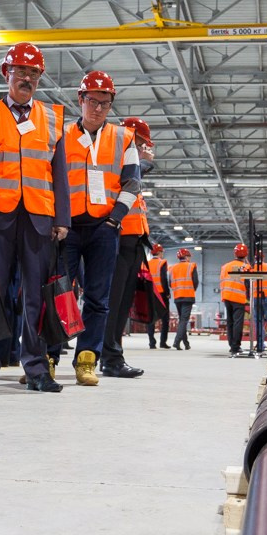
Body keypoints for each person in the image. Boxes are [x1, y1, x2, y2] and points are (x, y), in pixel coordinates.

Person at [0, 43, 70, 394]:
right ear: (6, 73)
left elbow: (60, 172)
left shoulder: (54, 116)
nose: (27, 78)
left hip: (39, 216)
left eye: (33, 73)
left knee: (36, 296)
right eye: (20, 71)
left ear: (40, 77)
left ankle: (37, 368)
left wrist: (63, 218)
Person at [60, 71, 140, 386]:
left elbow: (132, 182)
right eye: (92, 101)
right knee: (59, 295)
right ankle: (50, 358)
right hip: (66, 228)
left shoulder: (124, 137)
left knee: (97, 298)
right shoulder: (61, 135)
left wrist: (114, 219)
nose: (98, 109)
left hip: (103, 228)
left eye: (104, 103)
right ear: (80, 100)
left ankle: (86, 361)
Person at [98, 117, 154, 378]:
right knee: (112, 302)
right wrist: (142, 162)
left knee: (121, 304)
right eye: (142, 143)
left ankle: (112, 354)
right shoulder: (117, 154)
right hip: (118, 237)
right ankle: (109, 357)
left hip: (132, 239)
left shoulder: (131, 160)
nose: (144, 149)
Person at [220, 243, 250, 358]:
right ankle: (235, 346)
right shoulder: (246, 267)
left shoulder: (225, 266)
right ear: (246, 254)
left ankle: (231, 345)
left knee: (230, 322)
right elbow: (248, 283)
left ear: (235, 254)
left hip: (227, 296)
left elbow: (222, 281)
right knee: (238, 322)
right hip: (238, 297)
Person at [169, 248, 198, 350]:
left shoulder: (172, 268)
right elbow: (195, 282)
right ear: (186, 256)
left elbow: (170, 283)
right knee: (184, 320)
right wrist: (191, 290)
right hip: (188, 296)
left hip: (177, 296)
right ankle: (176, 342)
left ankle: (186, 343)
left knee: (182, 320)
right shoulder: (191, 266)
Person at [146, 244, 171, 349]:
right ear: (160, 252)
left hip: (149, 292)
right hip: (161, 293)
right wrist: (167, 292)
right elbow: (163, 278)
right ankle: (163, 342)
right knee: (165, 319)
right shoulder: (162, 263)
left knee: (151, 318)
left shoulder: (146, 263)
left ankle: (152, 342)